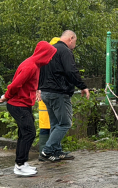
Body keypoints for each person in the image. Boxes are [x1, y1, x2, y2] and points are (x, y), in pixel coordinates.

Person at [0, 41, 56, 176]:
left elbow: (28, 83)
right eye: (50, 55)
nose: (51, 58)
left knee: (24, 133)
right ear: (44, 54)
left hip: (23, 104)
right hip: (18, 105)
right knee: (29, 133)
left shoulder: (34, 65)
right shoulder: (30, 66)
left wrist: (35, 91)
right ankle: (19, 165)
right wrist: (6, 96)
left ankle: (22, 163)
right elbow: (15, 85)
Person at [38, 30, 90, 162]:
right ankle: (47, 150)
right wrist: (82, 86)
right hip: (58, 93)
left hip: (46, 92)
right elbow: (71, 71)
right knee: (65, 123)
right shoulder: (65, 51)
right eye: (75, 42)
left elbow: (40, 69)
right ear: (71, 38)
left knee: (55, 123)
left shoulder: (49, 50)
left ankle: (56, 151)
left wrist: (39, 88)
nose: (74, 45)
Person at [37, 37, 61, 153]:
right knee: (55, 126)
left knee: (46, 126)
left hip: (42, 97)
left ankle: (44, 151)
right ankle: (49, 151)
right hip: (53, 96)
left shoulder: (42, 60)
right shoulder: (57, 60)